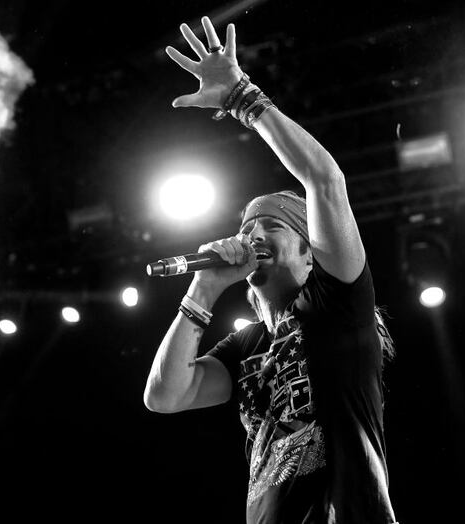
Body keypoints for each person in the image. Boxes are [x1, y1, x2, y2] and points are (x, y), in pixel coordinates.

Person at [144, 16, 398, 524]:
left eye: (271, 225)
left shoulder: (339, 305)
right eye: (247, 226)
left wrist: (241, 96)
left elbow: (324, 180)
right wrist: (204, 286)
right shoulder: (246, 347)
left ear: (310, 252)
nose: (251, 235)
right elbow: (165, 397)